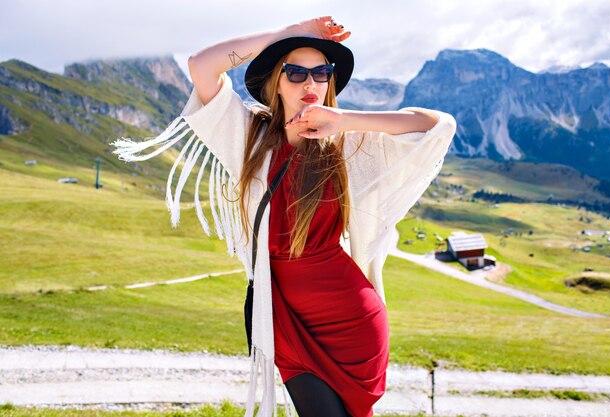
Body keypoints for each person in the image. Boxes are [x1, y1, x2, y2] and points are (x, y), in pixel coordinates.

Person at [111, 16, 456, 417]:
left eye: (321, 73)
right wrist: (293, 31)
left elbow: (436, 126)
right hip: (285, 317)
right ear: (277, 81)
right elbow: (202, 65)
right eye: (295, 72)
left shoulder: (346, 143)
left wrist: (343, 120)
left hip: (350, 321)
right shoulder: (248, 138)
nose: (310, 84)